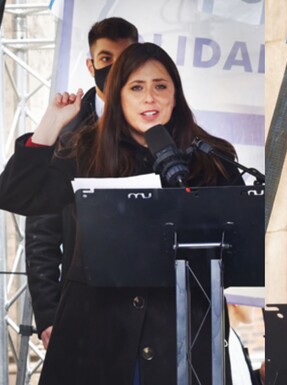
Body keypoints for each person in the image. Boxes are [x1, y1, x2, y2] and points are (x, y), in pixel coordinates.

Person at [0, 42, 243, 384]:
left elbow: (237, 247)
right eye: (136, 88)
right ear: (117, 97)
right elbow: (16, 195)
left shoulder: (211, 157)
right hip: (95, 335)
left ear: (176, 95)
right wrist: (50, 125)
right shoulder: (86, 151)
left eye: (161, 86)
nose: (150, 98)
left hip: (181, 337)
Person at [25, 16, 138, 350]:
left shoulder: (160, 126)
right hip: (84, 303)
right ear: (91, 65)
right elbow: (42, 233)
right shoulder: (65, 134)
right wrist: (48, 314)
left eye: (124, 58)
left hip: (149, 305)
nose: (115, 68)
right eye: (105, 58)